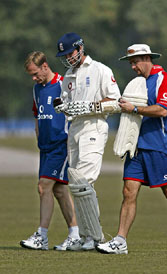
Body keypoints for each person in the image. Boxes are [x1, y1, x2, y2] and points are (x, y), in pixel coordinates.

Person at [96, 44, 167, 254]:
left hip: (158, 146)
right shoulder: (137, 83)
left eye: (135, 62)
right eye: (130, 63)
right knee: (128, 192)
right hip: (136, 147)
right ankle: (120, 240)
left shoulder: (164, 80)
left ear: (146, 58)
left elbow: (162, 110)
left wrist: (134, 108)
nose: (132, 66)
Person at [54, 32, 121, 250]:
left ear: (81, 48)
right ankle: (86, 237)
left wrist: (91, 107)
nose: (68, 58)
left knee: (84, 182)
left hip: (94, 126)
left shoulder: (100, 70)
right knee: (76, 184)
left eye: (70, 52)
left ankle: (95, 236)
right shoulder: (68, 75)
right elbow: (65, 101)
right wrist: (61, 106)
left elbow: (116, 102)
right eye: (64, 55)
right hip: (74, 129)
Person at [20, 51, 81, 251]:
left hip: (61, 145)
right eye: (31, 75)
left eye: (36, 73)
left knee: (43, 186)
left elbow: (75, 113)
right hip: (45, 147)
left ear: (45, 66)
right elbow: (38, 115)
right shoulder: (37, 89)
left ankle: (41, 236)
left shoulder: (64, 85)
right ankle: (75, 234)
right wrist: (38, 137)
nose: (34, 78)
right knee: (59, 190)